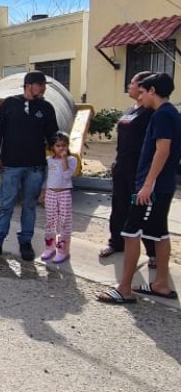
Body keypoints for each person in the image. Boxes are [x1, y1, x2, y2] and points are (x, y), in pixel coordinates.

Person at [96, 72, 181, 304]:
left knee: (131, 232)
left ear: (153, 91)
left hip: (151, 188)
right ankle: (160, 284)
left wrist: (146, 185)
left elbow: (162, 151)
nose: (140, 96)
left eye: (143, 92)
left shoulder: (161, 115)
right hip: (159, 186)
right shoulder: (170, 113)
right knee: (159, 233)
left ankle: (124, 289)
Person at [0, 71, 59, 260]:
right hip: (11, 166)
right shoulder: (8, 104)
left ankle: (25, 243)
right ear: (29, 85)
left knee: (29, 206)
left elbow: (53, 135)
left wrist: (60, 156)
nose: (44, 89)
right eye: (41, 85)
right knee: (6, 205)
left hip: (35, 167)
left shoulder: (46, 108)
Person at [99, 71, 156, 267]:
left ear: (142, 87)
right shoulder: (130, 110)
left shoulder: (150, 113)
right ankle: (116, 242)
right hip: (122, 167)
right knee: (119, 207)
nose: (128, 86)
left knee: (139, 211)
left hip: (138, 171)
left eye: (131, 83)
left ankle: (152, 252)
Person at [39, 131, 77, 263]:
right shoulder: (48, 161)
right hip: (50, 193)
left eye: (64, 145)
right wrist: (43, 192)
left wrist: (65, 159)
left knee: (65, 220)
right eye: (58, 145)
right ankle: (50, 247)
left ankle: (63, 250)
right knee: (50, 220)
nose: (61, 148)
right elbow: (46, 178)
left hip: (64, 193)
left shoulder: (72, 160)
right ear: (52, 147)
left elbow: (67, 176)